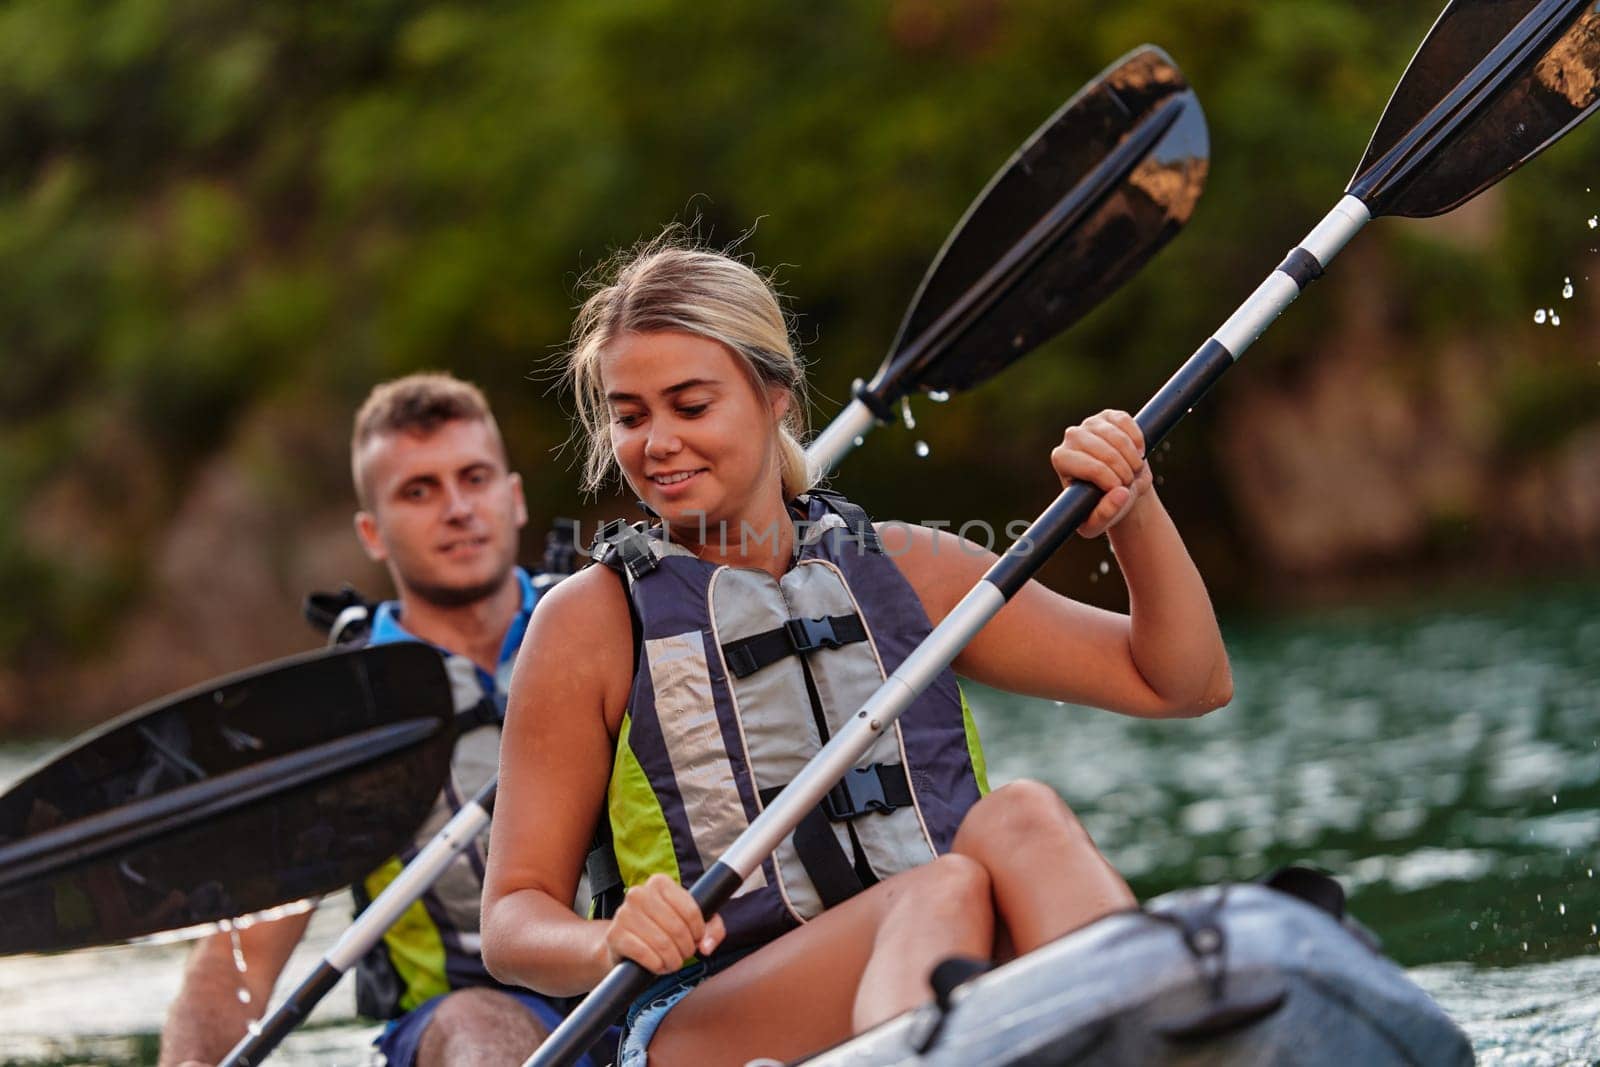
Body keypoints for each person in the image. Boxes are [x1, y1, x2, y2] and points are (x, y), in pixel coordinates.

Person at [480, 241, 1234, 1066]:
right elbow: (512, 919)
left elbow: (1185, 682)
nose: (657, 443)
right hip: (710, 1011)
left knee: (1021, 816)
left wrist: (1135, 509)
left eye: (690, 406)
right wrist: (607, 942)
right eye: (630, 416)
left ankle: (1162, 1040)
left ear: (778, 402)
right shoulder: (588, 621)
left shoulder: (911, 569)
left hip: (947, 954)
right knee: (940, 887)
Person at [160, 373, 611, 1067]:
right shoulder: (340, 716)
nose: (458, 509)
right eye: (418, 491)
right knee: (478, 1034)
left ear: (514, 498)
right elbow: (241, 959)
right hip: (462, 1014)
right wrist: (190, 1060)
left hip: (642, 974)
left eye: (475, 477)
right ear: (371, 532)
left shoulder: (610, 623)